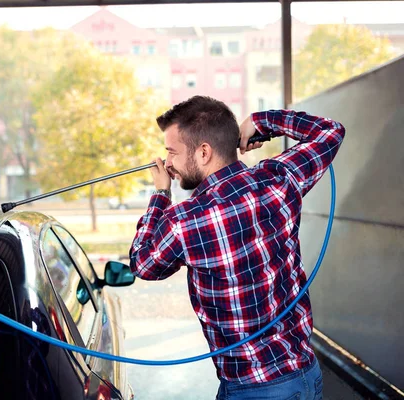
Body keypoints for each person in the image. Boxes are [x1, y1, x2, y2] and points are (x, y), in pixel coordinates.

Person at [129, 95, 345, 399]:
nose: (168, 163)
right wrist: (262, 121)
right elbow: (330, 131)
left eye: (172, 152)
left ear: (203, 152)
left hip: (254, 388)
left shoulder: (184, 221)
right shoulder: (277, 179)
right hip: (306, 375)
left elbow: (142, 264)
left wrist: (161, 194)